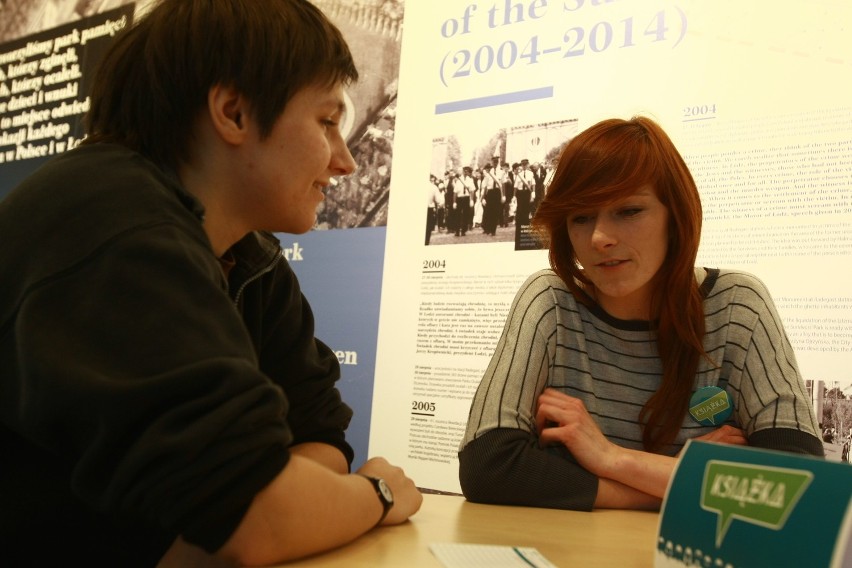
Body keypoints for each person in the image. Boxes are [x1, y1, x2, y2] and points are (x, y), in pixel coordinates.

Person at [0, 0, 422, 565]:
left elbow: (317, 436)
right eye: (326, 121)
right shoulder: (112, 221)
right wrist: (379, 493)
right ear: (233, 112)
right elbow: (258, 516)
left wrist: (274, 505)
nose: (344, 160)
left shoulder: (251, 256)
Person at [458, 116, 823, 512]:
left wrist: (612, 458)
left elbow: (800, 484)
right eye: (581, 217)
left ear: (675, 215)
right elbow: (488, 467)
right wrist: (681, 474)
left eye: (628, 211)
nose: (599, 237)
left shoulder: (737, 304)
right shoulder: (550, 301)